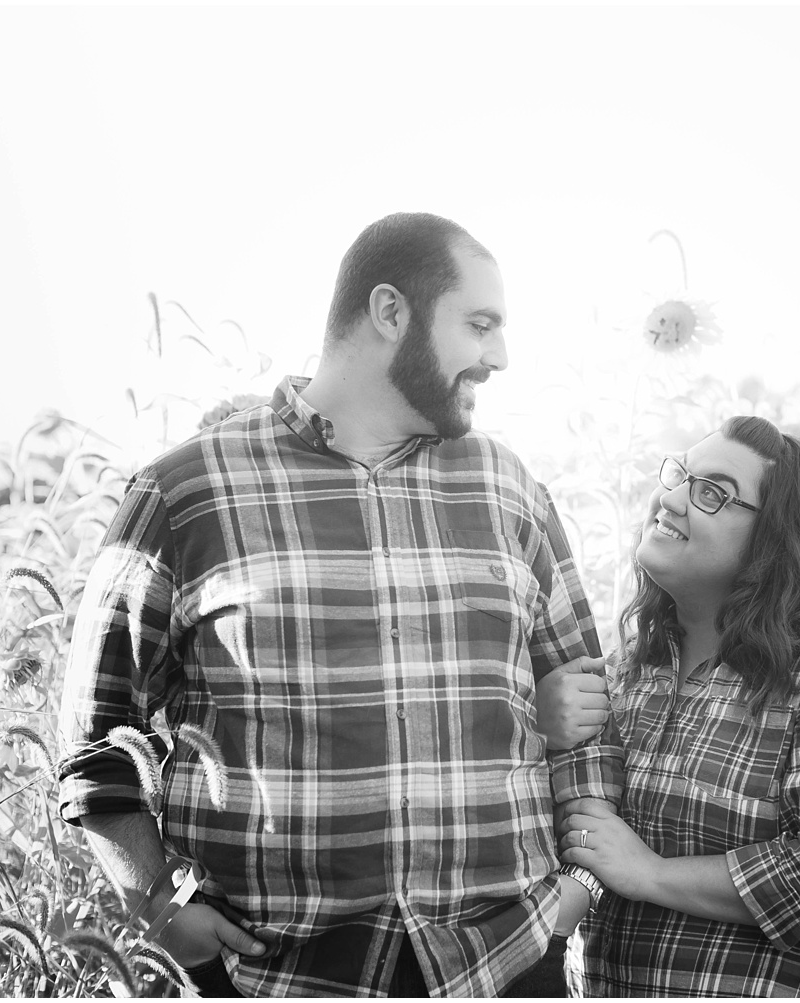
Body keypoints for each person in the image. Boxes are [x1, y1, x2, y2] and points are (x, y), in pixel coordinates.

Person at [57, 212, 620, 997]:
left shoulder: (509, 488)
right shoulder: (187, 491)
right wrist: (155, 900)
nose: (500, 356)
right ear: (390, 312)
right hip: (274, 974)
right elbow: (96, 739)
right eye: (480, 325)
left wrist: (577, 892)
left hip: (504, 963)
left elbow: (586, 713)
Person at [551, 415, 800, 997]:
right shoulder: (635, 670)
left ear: (777, 537)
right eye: (679, 474)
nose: (670, 499)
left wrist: (650, 874)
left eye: (712, 493)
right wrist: (538, 727)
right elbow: (582, 842)